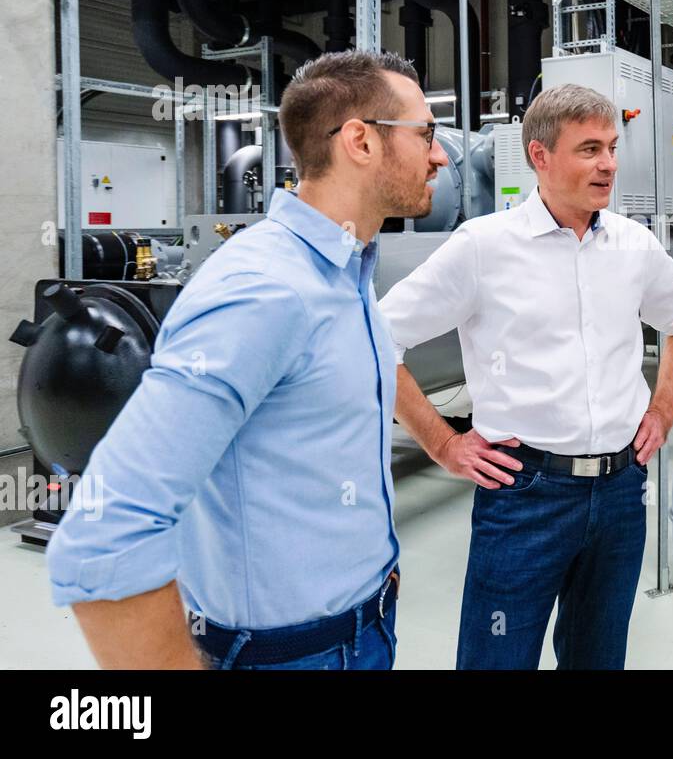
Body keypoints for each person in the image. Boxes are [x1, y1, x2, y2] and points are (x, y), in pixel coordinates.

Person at [46, 50, 449, 669]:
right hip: (285, 656)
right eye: (426, 134)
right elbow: (105, 533)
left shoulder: (347, 268)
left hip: (362, 628)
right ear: (361, 141)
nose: (441, 155)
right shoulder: (263, 289)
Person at [380, 83, 673, 670]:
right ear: (540, 156)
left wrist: (663, 409)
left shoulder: (634, 245)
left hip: (621, 489)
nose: (607, 164)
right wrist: (443, 443)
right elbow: (378, 339)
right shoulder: (483, 246)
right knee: (496, 658)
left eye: (610, 146)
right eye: (588, 149)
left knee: (598, 657)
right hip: (525, 494)